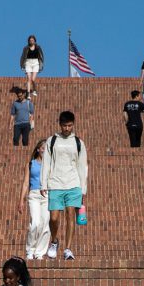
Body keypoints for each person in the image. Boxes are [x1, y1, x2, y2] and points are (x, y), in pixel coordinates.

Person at [41, 110, 88, 261]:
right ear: (60, 125)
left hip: (73, 184)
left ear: (73, 124)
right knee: (54, 218)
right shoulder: (52, 140)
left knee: (70, 215)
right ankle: (54, 241)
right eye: (64, 126)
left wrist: (83, 189)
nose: (67, 129)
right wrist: (43, 183)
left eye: (70, 125)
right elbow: (46, 163)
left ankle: (68, 248)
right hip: (55, 182)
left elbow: (82, 166)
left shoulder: (78, 143)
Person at [19, 139, 51, 260]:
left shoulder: (51, 164)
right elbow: (26, 182)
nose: (44, 150)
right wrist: (21, 200)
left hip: (47, 195)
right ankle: (30, 250)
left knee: (45, 224)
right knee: (35, 223)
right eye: (43, 148)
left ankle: (40, 252)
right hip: (34, 194)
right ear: (38, 149)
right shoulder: (30, 164)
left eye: (46, 149)